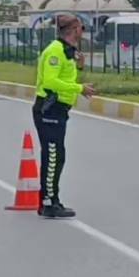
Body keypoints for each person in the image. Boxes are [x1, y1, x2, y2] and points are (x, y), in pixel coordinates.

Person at [33, 15, 96, 219]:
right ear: (74, 29)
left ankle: (50, 200)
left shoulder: (67, 52)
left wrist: (79, 67)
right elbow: (50, 82)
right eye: (81, 28)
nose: (82, 32)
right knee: (53, 156)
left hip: (59, 109)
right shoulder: (56, 51)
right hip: (49, 109)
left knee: (57, 155)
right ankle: (49, 203)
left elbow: (65, 76)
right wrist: (79, 88)